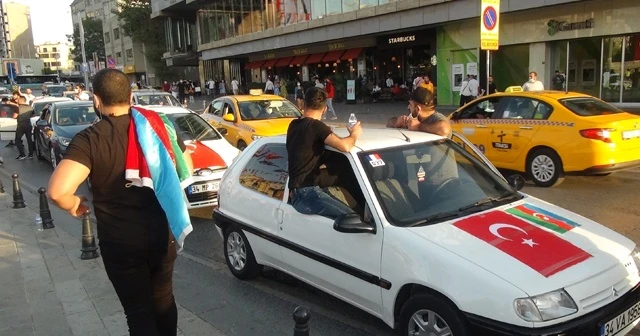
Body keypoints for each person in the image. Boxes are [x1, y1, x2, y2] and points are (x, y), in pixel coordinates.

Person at [47, 68, 193, 336]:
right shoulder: (157, 128)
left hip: (121, 243)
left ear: (96, 100)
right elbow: (185, 168)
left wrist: (74, 204)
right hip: (162, 235)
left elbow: (57, 191)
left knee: (138, 312)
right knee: (163, 301)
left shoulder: (90, 139)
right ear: (131, 95)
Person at [286, 87, 362, 218]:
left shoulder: (293, 124)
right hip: (306, 193)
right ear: (325, 109)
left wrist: (325, 132)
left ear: (304, 104)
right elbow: (345, 146)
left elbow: (308, 140)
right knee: (351, 219)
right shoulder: (316, 127)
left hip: (295, 191)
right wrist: (355, 135)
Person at [386, 87, 451, 138]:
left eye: (410, 104)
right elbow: (389, 123)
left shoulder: (437, 119)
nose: (408, 107)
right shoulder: (415, 118)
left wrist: (418, 126)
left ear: (418, 109)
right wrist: (398, 122)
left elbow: (444, 129)